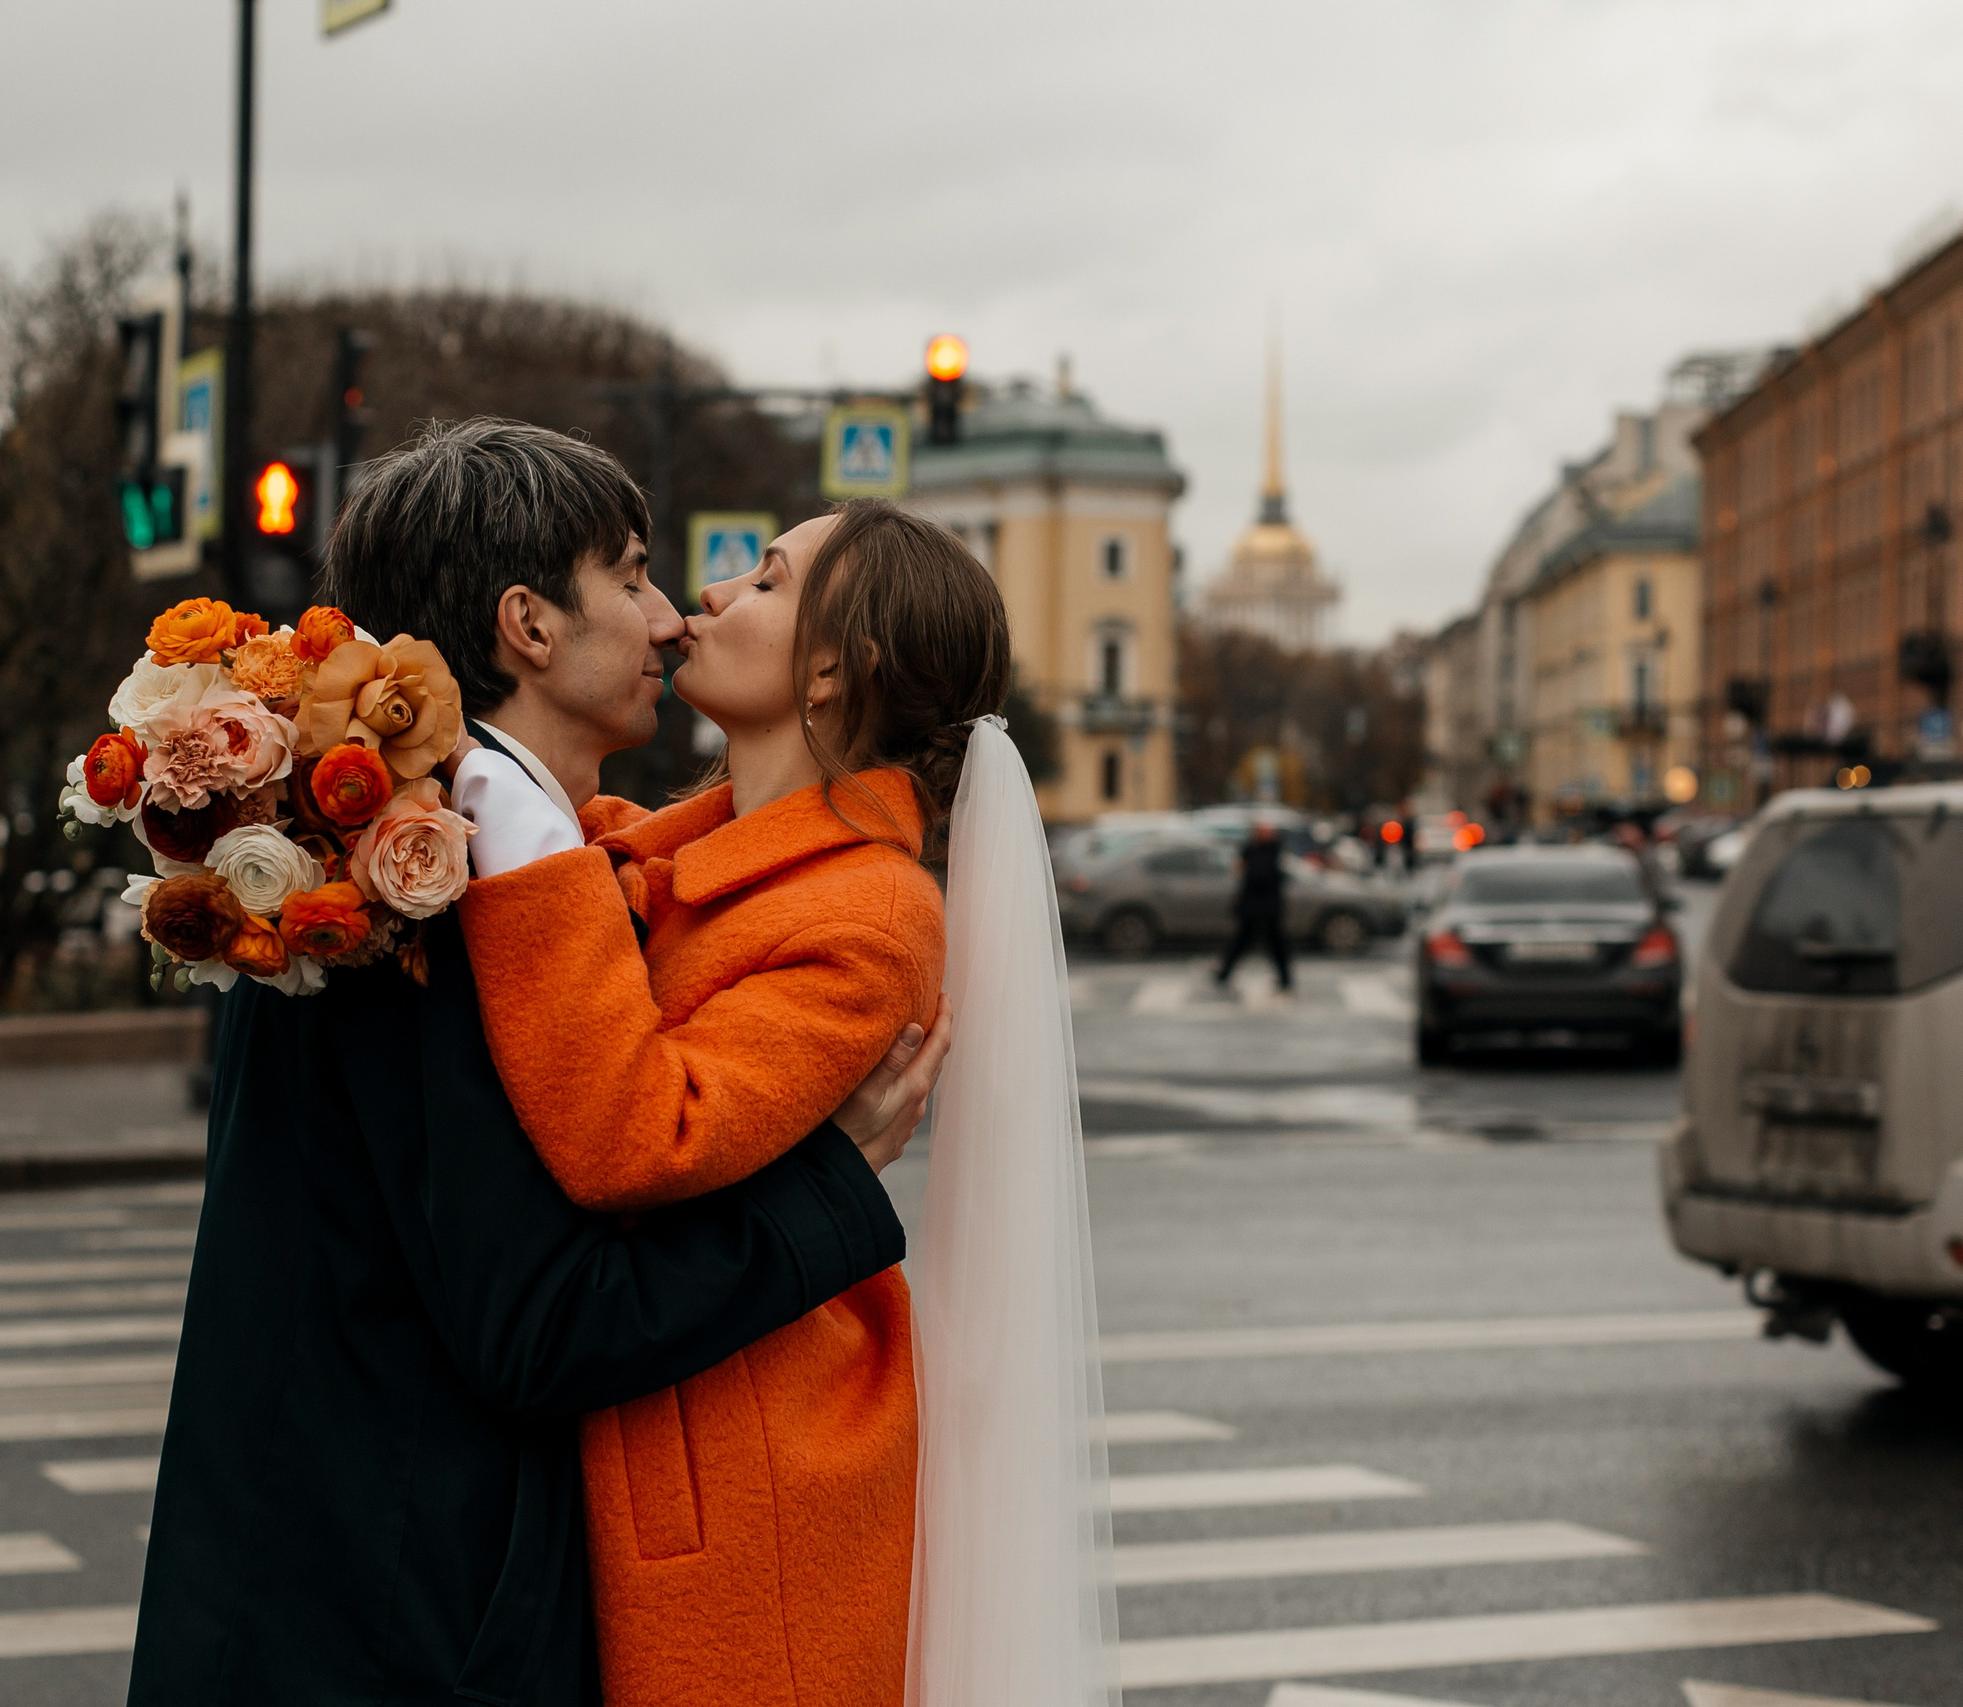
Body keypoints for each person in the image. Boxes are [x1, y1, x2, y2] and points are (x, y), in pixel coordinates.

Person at [125, 421, 949, 1707]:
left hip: (338, 1598)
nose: (676, 616)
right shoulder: (440, 886)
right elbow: (546, 1323)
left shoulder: (405, 849)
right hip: (390, 1625)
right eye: (632, 574)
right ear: (530, 626)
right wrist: (833, 1187)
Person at [446, 501, 1117, 1707]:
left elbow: (636, 1138)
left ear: (828, 670)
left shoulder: (869, 913)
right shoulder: (665, 850)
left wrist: (535, 868)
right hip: (662, 1434)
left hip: (755, 1480)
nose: (706, 595)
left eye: (761, 581)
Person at [1214, 818, 1294, 995]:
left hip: (1266, 906)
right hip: (1255, 905)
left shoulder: (1271, 850)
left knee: (1272, 943)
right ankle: (1224, 973)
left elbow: (1260, 875)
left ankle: (1285, 978)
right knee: (1244, 941)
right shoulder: (1252, 850)